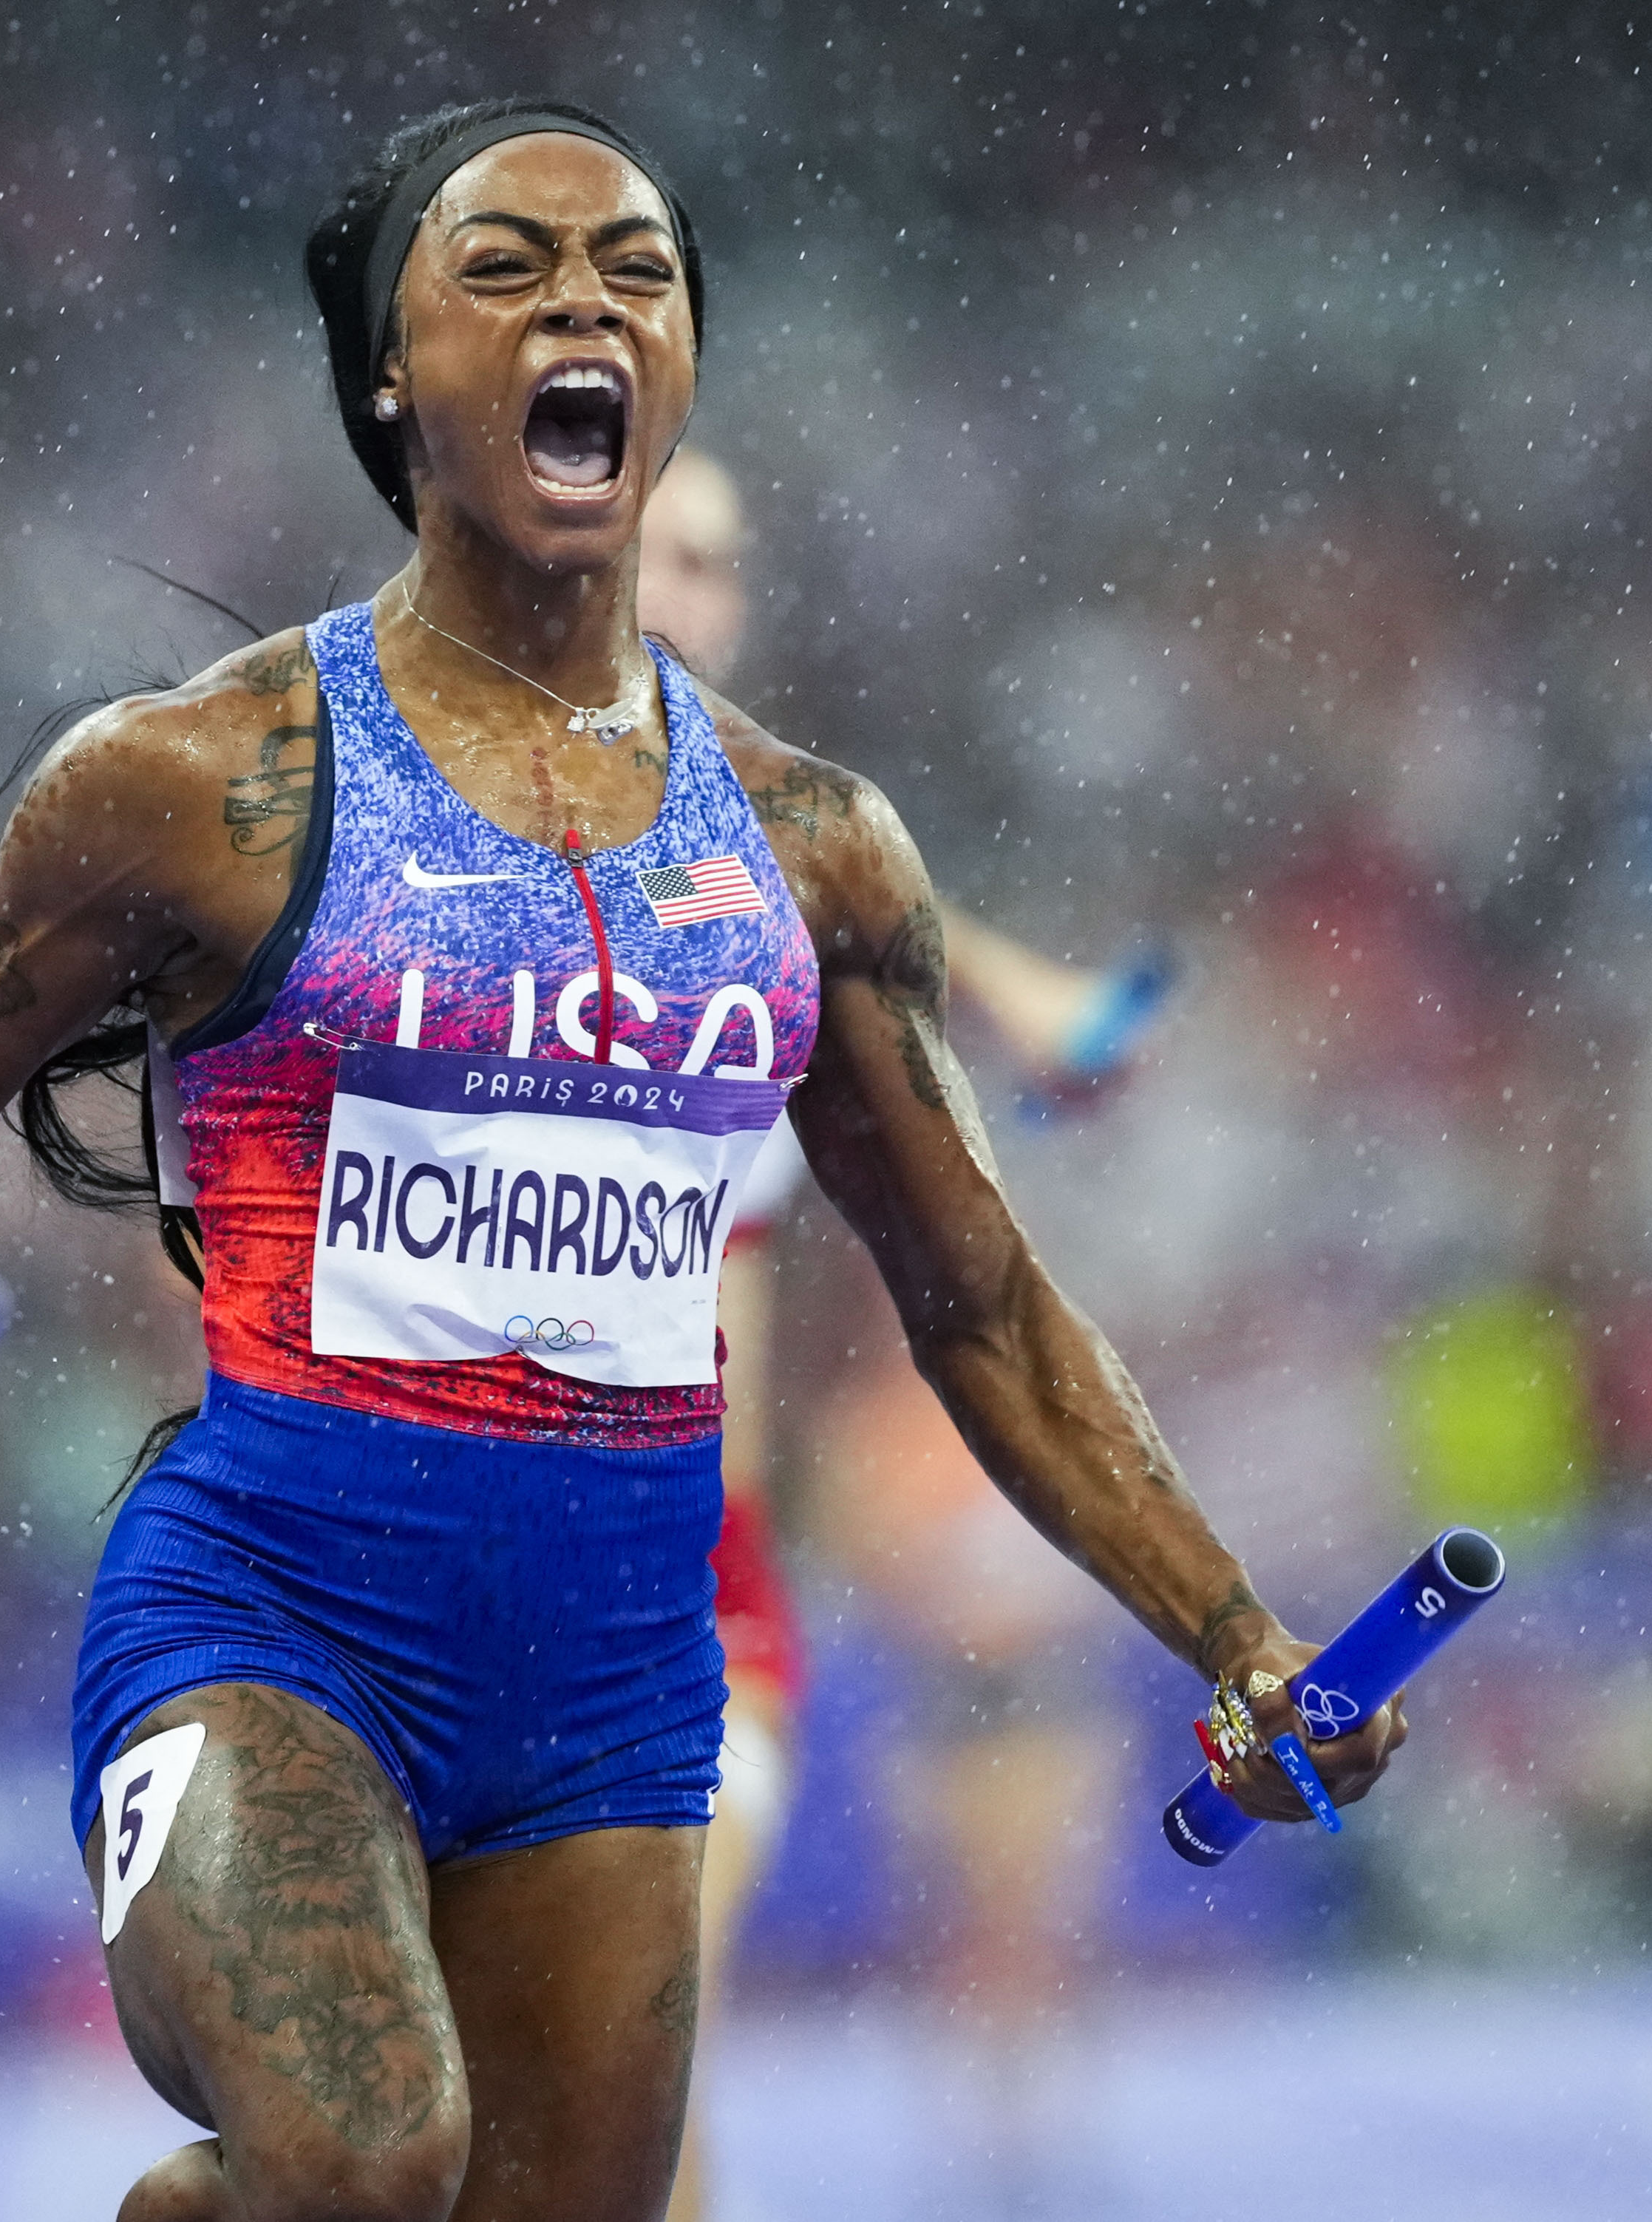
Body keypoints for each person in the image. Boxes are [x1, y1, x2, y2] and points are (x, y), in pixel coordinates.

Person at [0, 98, 1401, 2222]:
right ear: (393, 379)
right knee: (363, 2153)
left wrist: (1238, 1635)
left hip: (612, 1684)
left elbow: (981, 1303)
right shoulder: (196, 782)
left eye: (635, 271)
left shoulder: (809, 847)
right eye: (501, 266)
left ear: (674, 373)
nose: (581, 298)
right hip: (269, 1622)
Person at [631, 449, 1168, 2221]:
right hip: (429, 1563)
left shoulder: (770, 882)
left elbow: (864, 908)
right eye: (658, 551)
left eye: (718, 559)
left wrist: (1038, 1002)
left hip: (691, 1587)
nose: (693, 593)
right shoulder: (404, 838)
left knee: (640, 2028)